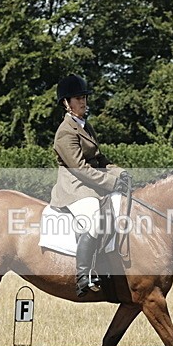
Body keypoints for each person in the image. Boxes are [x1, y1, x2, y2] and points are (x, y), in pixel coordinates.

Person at [50, 74, 129, 297]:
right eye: (77, 98)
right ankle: (84, 276)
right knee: (96, 219)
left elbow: (99, 159)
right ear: (66, 103)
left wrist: (119, 172)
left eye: (84, 97)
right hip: (75, 188)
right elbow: (80, 168)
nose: (83, 102)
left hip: (92, 185)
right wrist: (112, 182)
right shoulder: (65, 132)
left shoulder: (86, 126)